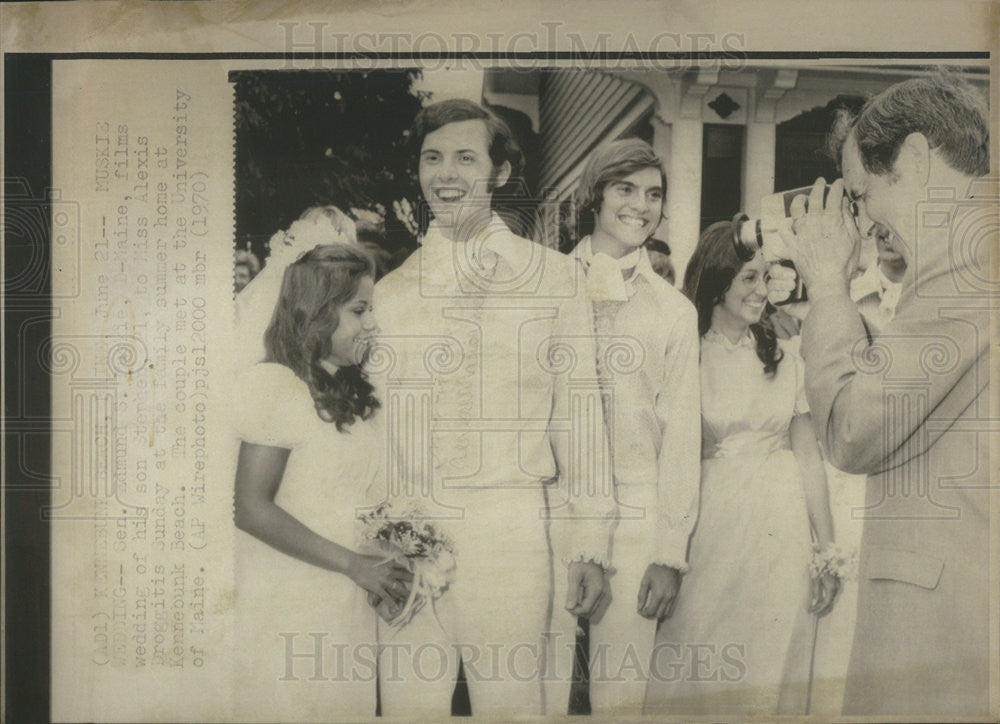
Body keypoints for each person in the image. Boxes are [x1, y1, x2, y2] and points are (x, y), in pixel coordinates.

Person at [371, 99, 615, 718]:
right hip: (407, 532)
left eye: (465, 157)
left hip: (509, 523)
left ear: (500, 172)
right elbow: (379, 424)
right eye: (432, 158)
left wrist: (590, 542)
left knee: (511, 705)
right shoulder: (391, 292)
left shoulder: (554, 278)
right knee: (409, 706)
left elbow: (578, 416)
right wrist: (385, 535)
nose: (445, 174)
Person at [778, 74, 992, 717]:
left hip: (949, 617)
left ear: (919, 158)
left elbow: (852, 430)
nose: (864, 220)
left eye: (864, 193)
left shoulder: (967, 257)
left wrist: (827, 287)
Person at [644, 220, 841, 716]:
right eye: (748, 279)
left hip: (781, 518)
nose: (760, 290)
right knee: (706, 650)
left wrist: (825, 548)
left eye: (763, 277)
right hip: (715, 522)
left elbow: (808, 455)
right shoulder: (685, 356)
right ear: (717, 281)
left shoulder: (784, 352)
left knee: (772, 655)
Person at [231, 242, 413, 722]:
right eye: (359, 310)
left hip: (348, 599)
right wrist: (353, 563)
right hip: (290, 597)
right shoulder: (273, 386)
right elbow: (251, 507)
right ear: (317, 313)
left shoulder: (351, 393)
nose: (372, 323)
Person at [557, 139, 700, 716]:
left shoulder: (673, 311)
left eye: (653, 194)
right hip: (550, 511)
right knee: (540, 691)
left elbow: (682, 436)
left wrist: (668, 553)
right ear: (596, 194)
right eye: (625, 189)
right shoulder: (544, 286)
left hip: (640, 519)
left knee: (620, 698)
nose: (641, 205)